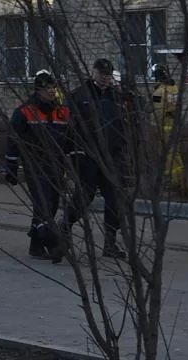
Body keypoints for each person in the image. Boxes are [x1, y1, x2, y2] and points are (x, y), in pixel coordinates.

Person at [4, 70, 72, 261]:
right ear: (38, 90)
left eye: (53, 87)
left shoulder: (62, 111)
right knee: (43, 205)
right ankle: (54, 245)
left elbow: (70, 138)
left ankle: (36, 246)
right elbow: (12, 139)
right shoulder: (25, 111)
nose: (51, 91)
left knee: (51, 205)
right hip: (35, 164)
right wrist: (10, 166)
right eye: (47, 88)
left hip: (57, 165)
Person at [70, 58, 129, 259]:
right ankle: (63, 228)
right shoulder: (80, 96)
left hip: (111, 156)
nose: (105, 78)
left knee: (114, 199)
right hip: (87, 155)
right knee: (84, 196)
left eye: (108, 75)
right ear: (94, 72)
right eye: (102, 74)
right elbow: (71, 127)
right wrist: (75, 151)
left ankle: (110, 243)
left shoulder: (115, 96)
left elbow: (123, 125)